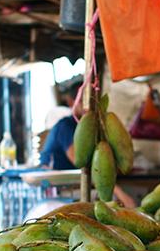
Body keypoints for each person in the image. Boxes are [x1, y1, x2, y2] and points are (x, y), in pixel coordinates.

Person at [39, 77, 136, 208]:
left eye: (92, 102)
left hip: (78, 189)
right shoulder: (65, 126)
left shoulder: (95, 126)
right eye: (84, 102)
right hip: (58, 193)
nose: (89, 107)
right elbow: (83, 164)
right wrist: (120, 193)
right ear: (71, 102)